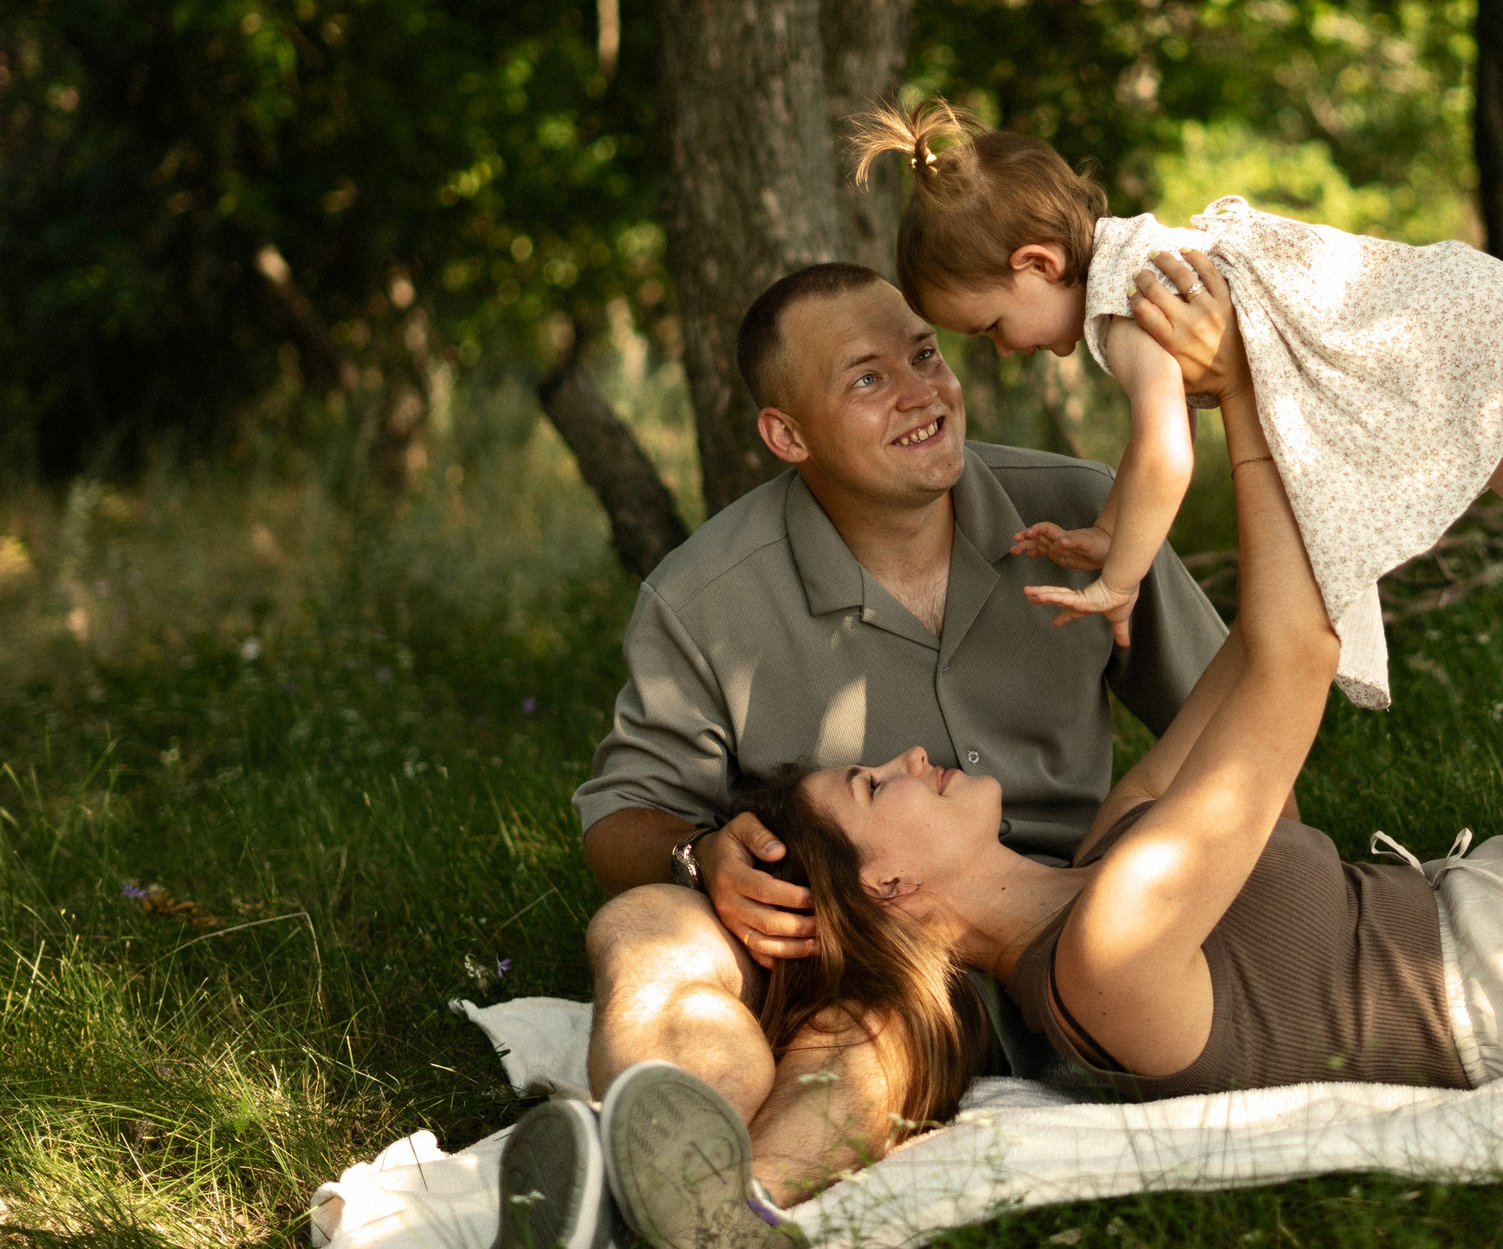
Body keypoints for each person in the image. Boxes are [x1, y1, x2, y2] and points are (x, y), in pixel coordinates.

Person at [542, 270, 1503, 1249]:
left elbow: (1240, 669)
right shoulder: (1110, 943)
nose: (907, 755)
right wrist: (1249, 404)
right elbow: (1295, 663)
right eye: (877, 778)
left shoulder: (1101, 865)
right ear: (893, 879)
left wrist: (1236, 403)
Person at [504, 262, 1230, 1249]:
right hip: (823, 927)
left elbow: (1232, 722)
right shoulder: (704, 596)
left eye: (925, 355)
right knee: (642, 926)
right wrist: (696, 858)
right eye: (866, 379)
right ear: (786, 436)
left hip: (1048, 927)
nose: (922, 391)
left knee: (895, 1017)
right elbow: (621, 817)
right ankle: (649, 1150)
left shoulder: (1087, 510)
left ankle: (704, 1212)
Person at [844, 100, 1503, 709]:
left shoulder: (1129, 302)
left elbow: (1164, 453)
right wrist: (1111, 527)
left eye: (991, 325)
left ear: (1035, 264)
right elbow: (1148, 458)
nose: (1002, 349)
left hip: (1420, 338)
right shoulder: (1142, 253)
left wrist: (1119, 578)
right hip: (1417, 329)